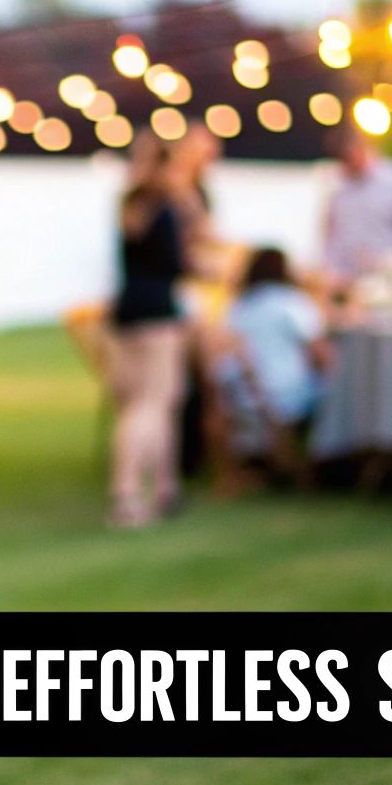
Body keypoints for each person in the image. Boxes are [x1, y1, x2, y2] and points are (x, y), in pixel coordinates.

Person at [107, 135, 208, 527]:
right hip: (156, 316)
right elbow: (181, 259)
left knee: (155, 402)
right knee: (149, 405)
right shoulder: (165, 209)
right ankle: (127, 492)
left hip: (128, 312)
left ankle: (165, 487)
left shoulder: (130, 205)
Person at [211, 247, 328, 465]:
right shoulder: (293, 302)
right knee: (331, 390)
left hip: (244, 395)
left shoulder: (239, 306)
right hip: (288, 395)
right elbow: (321, 354)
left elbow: (224, 351)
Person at [321, 126, 392, 288]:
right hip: (351, 284)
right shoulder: (340, 191)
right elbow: (332, 236)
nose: (346, 164)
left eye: (349, 157)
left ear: (363, 149)